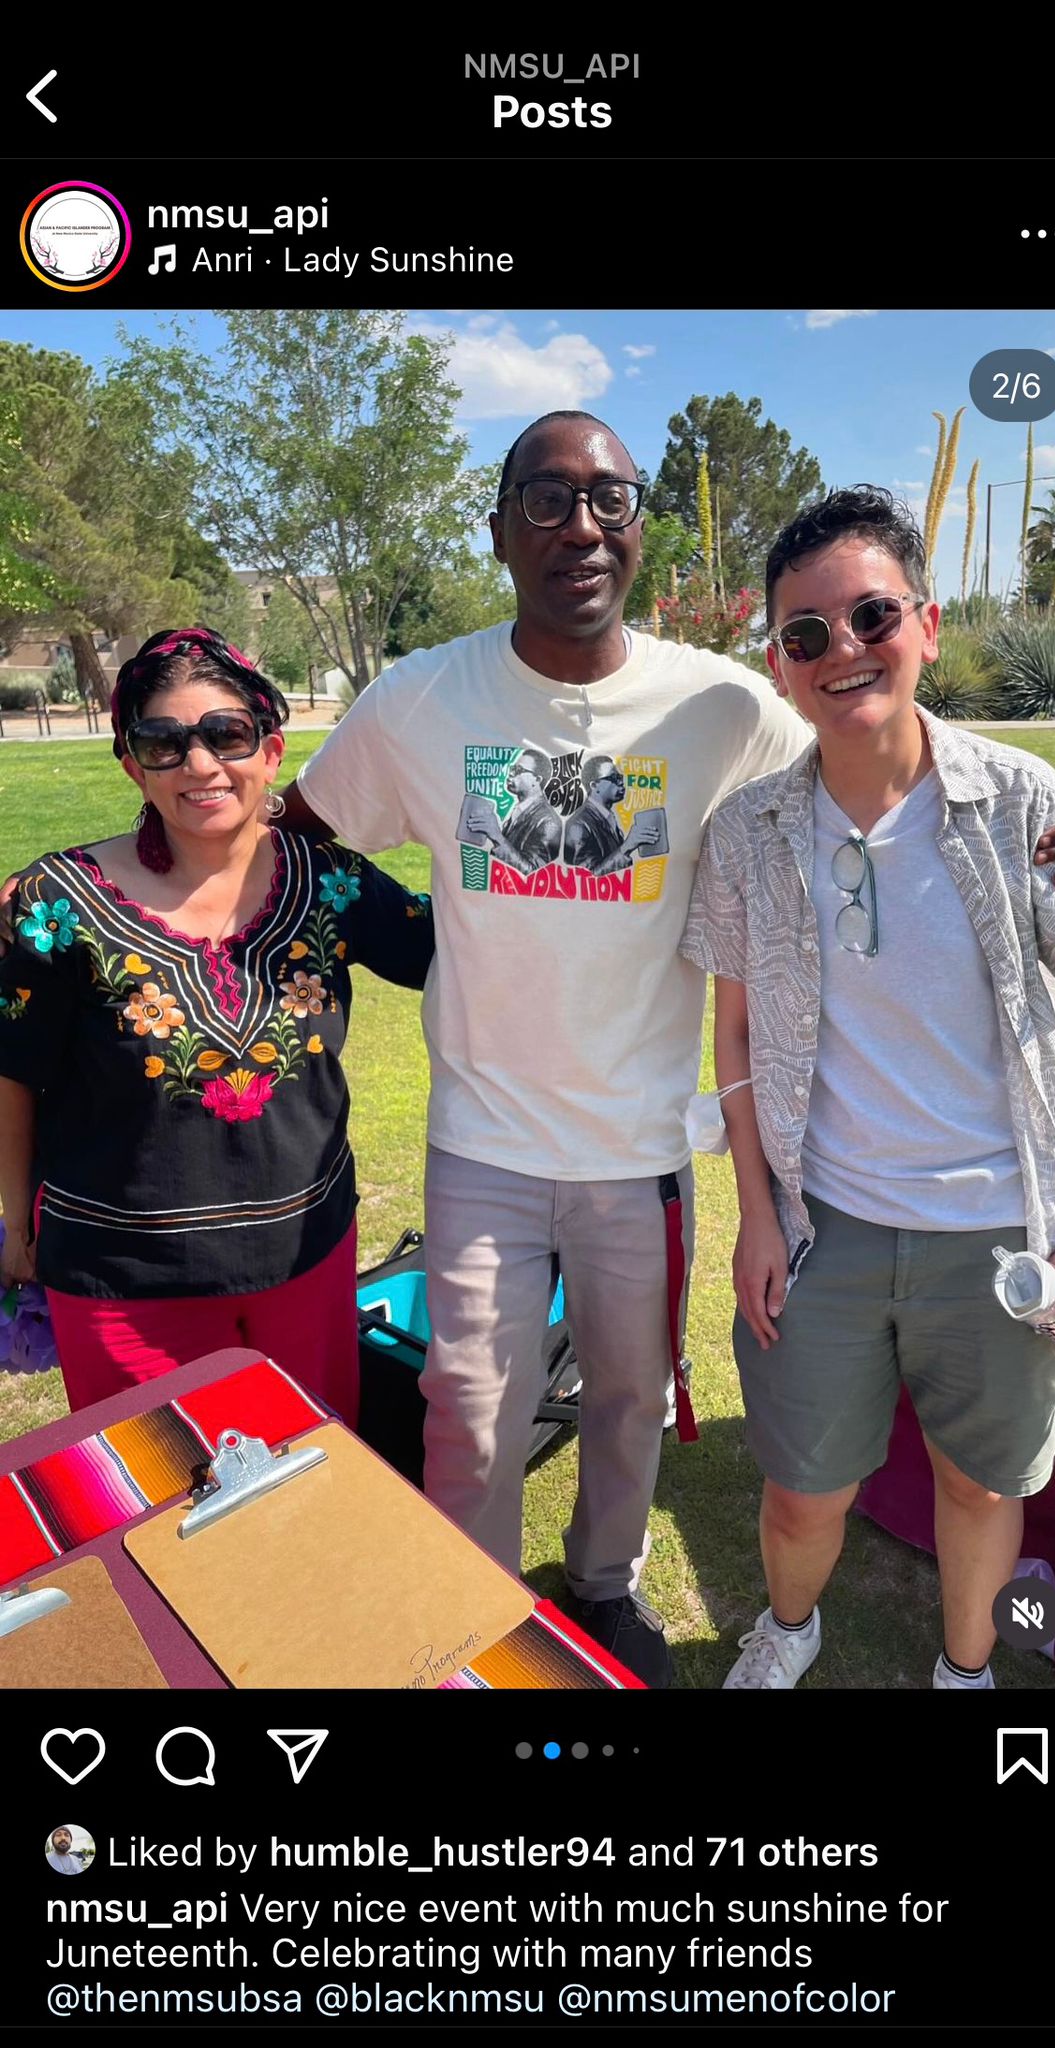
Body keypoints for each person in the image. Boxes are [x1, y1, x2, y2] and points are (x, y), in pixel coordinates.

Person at [278, 409, 813, 1685]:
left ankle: (605, 1587)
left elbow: (868, 774)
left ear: (639, 526)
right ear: (501, 525)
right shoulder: (421, 697)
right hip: (482, 1143)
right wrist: (406, 931)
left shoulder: (723, 707)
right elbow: (298, 832)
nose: (582, 524)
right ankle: (473, 1619)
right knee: (471, 1413)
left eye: (611, 499)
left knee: (630, 1399)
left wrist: (1047, 795)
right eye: (549, 497)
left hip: (638, 1152)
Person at [680, 486, 1055, 1691]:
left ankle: (963, 1670)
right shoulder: (750, 830)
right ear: (777, 663)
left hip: (998, 1230)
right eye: (806, 633)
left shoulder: (1032, 807)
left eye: (870, 615)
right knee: (804, 1486)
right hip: (828, 1226)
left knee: (981, 1480)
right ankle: (790, 1627)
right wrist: (759, 1212)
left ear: (924, 623)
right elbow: (739, 1034)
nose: (842, 650)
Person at [0, 628, 433, 1421]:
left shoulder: (330, 884)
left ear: (270, 751)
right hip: (121, 1282)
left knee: (311, 1477)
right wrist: (11, 1218)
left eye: (226, 735)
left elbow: (464, 953)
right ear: (133, 765)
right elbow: (13, 1071)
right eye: (164, 743)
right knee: (152, 1508)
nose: (200, 765)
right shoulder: (56, 903)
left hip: (304, 1257)